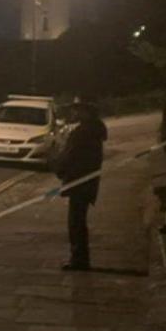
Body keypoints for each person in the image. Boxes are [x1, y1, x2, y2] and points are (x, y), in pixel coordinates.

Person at [52, 97, 107, 271]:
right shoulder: (94, 130)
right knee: (78, 221)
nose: (74, 112)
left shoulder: (82, 132)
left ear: (86, 112)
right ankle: (80, 258)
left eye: (77, 109)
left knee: (75, 223)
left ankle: (79, 259)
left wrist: (57, 166)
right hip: (87, 181)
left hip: (78, 182)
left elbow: (69, 157)